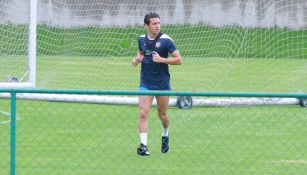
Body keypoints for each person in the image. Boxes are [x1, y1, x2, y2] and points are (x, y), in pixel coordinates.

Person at [132, 12, 182, 156]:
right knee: (143, 113)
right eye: (154, 23)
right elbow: (142, 52)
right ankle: (143, 146)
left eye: (159, 23)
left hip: (162, 84)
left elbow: (179, 59)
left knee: (162, 115)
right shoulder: (141, 39)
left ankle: (165, 134)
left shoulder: (166, 40)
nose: (157, 26)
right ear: (146, 25)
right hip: (145, 83)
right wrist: (137, 59)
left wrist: (162, 60)